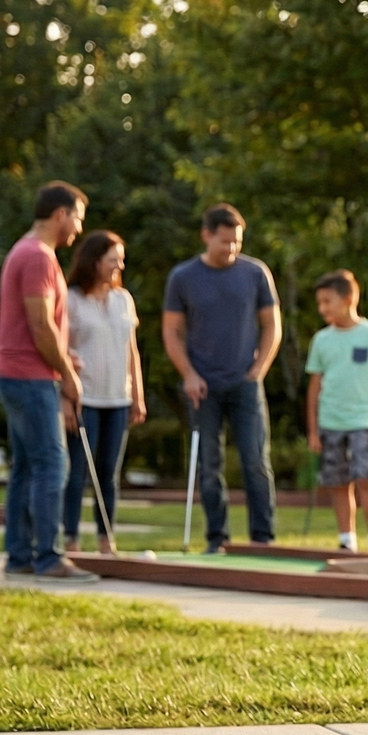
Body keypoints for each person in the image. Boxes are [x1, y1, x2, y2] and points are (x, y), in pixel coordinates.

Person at [0, 181, 99, 582]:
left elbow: (37, 327)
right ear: (60, 214)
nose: (78, 228)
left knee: (26, 467)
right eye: (77, 218)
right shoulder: (37, 257)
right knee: (53, 464)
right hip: (29, 378)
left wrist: (62, 360)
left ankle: (19, 556)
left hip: (19, 371)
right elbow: (40, 325)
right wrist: (68, 376)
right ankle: (49, 557)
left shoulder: (29, 252)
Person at [163, 204, 282, 552]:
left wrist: (258, 371)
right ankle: (218, 539)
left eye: (237, 242)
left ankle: (263, 539)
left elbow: (272, 325)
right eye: (225, 241)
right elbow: (171, 333)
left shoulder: (256, 273)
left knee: (256, 461)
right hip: (203, 386)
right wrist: (188, 374)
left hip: (245, 383)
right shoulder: (183, 277)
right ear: (207, 236)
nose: (232, 248)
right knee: (209, 466)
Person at [61, 230, 147, 555]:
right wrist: (65, 399)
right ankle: (71, 539)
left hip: (118, 399)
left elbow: (132, 351)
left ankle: (105, 540)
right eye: (113, 259)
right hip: (85, 399)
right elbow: (61, 350)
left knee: (108, 475)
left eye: (120, 259)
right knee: (77, 472)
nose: (119, 265)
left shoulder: (123, 299)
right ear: (94, 261)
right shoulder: (71, 298)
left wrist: (137, 396)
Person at [304, 270, 368, 553]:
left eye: (327, 301)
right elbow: (314, 387)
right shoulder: (321, 340)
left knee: (365, 477)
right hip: (331, 422)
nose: (322, 308)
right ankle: (347, 540)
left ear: (348, 299)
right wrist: (313, 430)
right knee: (337, 482)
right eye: (319, 303)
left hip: (362, 421)